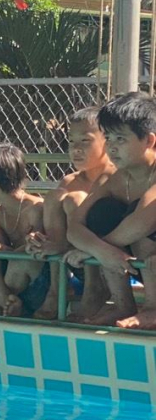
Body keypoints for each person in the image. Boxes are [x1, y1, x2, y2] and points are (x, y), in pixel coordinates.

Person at [64, 92, 156, 328]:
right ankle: (123, 304)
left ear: (149, 140)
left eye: (120, 139)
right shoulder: (111, 177)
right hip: (131, 260)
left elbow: (141, 222)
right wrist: (99, 249)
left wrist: (93, 251)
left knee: (137, 211)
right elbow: (75, 226)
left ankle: (153, 307)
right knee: (101, 212)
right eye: (108, 138)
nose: (111, 147)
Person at [26, 106, 115, 320]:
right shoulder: (69, 181)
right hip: (73, 259)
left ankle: (95, 290)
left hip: (106, 260)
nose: (76, 148)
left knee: (74, 198)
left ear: (107, 141)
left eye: (85, 141)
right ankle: (57, 289)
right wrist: (36, 237)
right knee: (55, 195)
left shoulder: (116, 176)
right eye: (71, 141)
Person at [0, 144, 48, 318]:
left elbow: (35, 252)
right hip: (11, 281)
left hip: (39, 283)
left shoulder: (36, 209)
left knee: (22, 258)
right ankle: (2, 296)